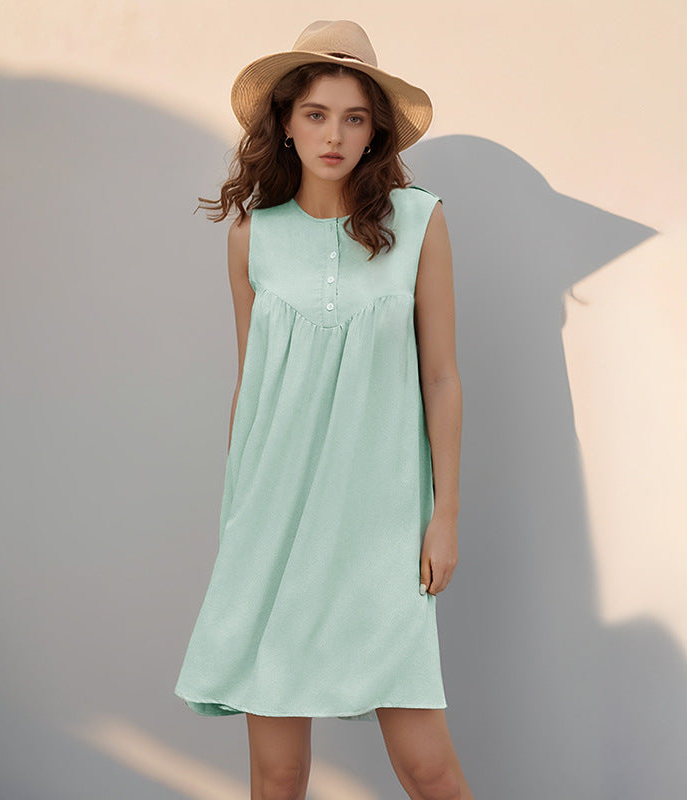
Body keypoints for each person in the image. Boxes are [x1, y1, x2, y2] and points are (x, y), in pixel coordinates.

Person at [174, 19, 472, 800]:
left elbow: (441, 377)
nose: (333, 135)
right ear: (285, 121)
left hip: (382, 526)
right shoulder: (252, 236)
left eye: (353, 117)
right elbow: (254, 385)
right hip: (273, 521)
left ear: (375, 132)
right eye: (315, 114)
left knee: (428, 769)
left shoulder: (418, 221)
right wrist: (239, 521)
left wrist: (443, 515)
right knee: (277, 776)